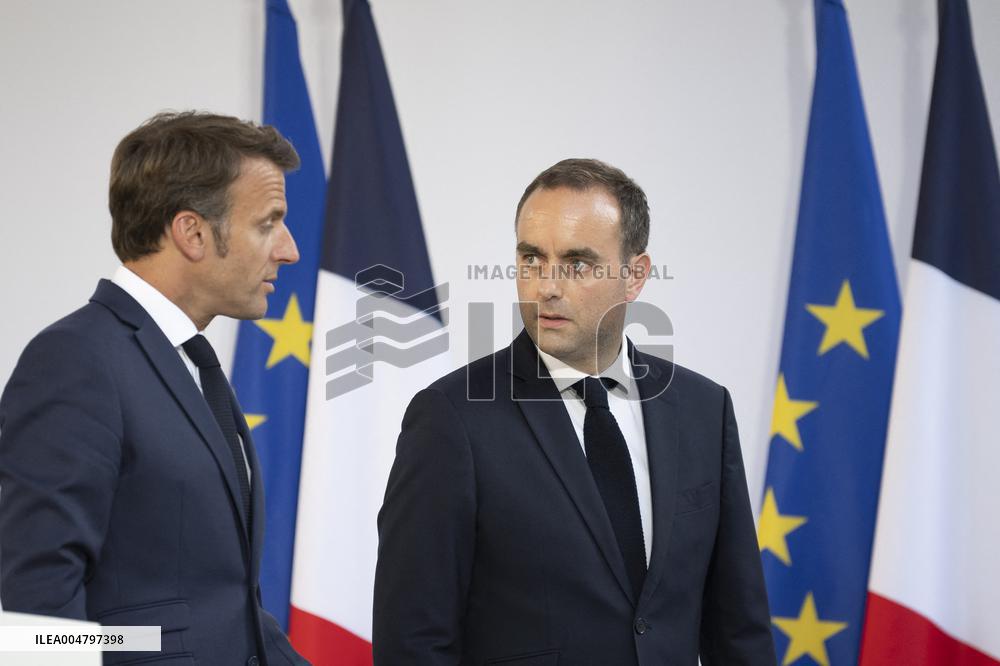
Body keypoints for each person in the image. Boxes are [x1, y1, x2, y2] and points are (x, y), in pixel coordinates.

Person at [373, 158, 776, 665]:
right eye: (531, 258)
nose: (546, 286)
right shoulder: (450, 419)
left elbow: (740, 633)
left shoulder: (704, 410)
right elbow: (413, 644)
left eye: (577, 264)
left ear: (635, 276)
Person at [0, 111, 309, 665]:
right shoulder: (77, 360)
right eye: (268, 223)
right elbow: (38, 612)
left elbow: (219, 608)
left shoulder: (191, 364)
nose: (289, 250)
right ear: (192, 233)